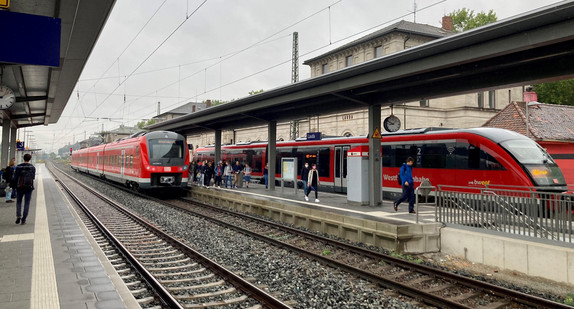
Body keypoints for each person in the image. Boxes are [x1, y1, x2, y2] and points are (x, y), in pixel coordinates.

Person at [14, 154, 36, 225]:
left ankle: (18, 216)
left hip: (20, 187)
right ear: (30, 159)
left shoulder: (19, 166)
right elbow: (33, 177)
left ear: (23, 158)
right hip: (29, 187)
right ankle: (24, 219)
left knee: (19, 202)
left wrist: (14, 186)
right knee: (27, 203)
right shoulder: (32, 167)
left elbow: (15, 177)